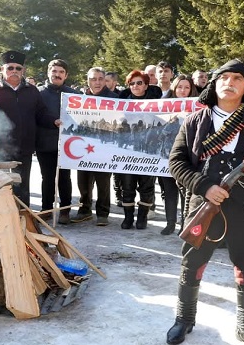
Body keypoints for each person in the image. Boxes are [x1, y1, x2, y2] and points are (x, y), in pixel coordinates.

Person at [166, 60, 244, 345]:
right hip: (206, 203)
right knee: (192, 263)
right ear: (214, 83)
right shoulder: (196, 120)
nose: (228, 82)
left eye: (237, 78)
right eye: (223, 77)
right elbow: (177, 162)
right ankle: (184, 319)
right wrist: (205, 186)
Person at [0, 50, 58, 207]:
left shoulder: (31, 90)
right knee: (0, 189)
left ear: (23, 71)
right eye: (10, 68)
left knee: (22, 188)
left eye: (18, 68)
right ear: (2, 69)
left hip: (25, 148)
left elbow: (41, 112)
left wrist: (54, 121)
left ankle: (23, 221)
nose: (14, 71)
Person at [71, 67, 117, 226]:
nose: (96, 82)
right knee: (83, 181)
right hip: (84, 146)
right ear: (88, 81)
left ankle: (103, 213)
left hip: (104, 147)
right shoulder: (79, 99)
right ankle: (84, 210)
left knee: (103, 182)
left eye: (100, 79)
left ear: (105, 81)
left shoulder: (114, 99)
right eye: (93, 79)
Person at [119, 70, 161, 230]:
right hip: (127, 150)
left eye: (139, 83)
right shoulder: (121, 102)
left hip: (148, 149)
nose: (135, 86)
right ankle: (128, 217)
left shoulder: (157, 102)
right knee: (127, 185)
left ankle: (142, 218)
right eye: (132, 83)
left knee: (147, 186)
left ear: (146, 85)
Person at [37, 59, 77, 224]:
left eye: (61, 72)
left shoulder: (72, 94)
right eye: (54, 71)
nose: (57, 75)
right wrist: (52, 121)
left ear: (66, 75)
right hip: (45, 142)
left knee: (64, 178)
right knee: (47, 178)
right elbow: (36, 115)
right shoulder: (39, 93)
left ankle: (65, 210)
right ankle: (46, 209)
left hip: (66, 144)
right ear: (48, 73)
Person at [158, 74, 198, 235]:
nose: (183, 90)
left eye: (186, 87)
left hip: (187, 157)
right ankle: (170, 222)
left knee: (186, 192)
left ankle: (185, 223)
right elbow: (160, 133)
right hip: (167, 156)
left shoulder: (198, 107)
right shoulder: (163, 105)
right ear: (174, 88)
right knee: (168, 191)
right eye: (180, 87)